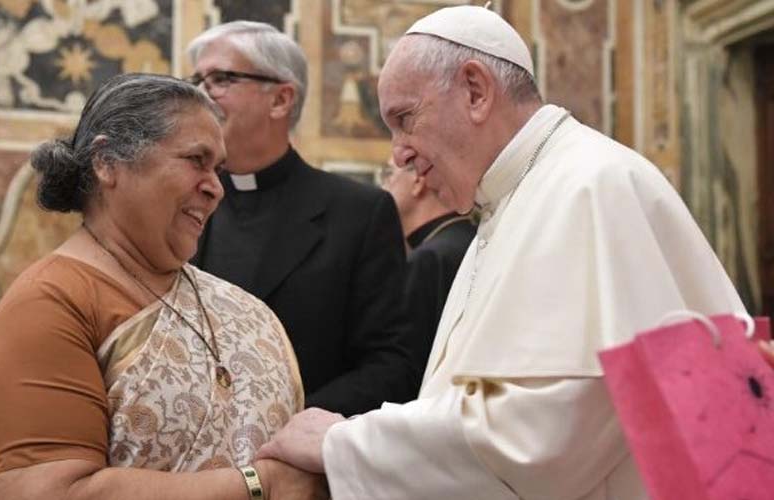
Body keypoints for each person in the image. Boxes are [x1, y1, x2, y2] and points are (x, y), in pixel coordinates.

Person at [257, 6, 747, 499]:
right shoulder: (509, 203)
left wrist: (345, 443)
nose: (398, 153)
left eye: (405, 119)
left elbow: (544, 439)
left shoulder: (590, 187)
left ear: (476, 91)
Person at [0, 74, 327, 500]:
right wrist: (259, 484)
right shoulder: (48, 304)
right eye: (196, 160)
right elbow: (44, 492)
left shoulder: (248, 312)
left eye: (217, 169)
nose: (216, 188)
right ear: (107, 161)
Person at [186, 21, 418, 416]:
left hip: (299, 442)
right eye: (196, 81)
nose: (201, 94)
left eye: (221, 79)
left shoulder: (358, 213)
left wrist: (289, 421)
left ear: (281, 99)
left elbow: (391, 365)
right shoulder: (183, 204)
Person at [380, 158, 475, 371]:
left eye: (388, 174)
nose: (382, 186)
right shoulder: (469, 237)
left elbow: (409, 365)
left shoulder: (430, 259)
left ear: (418, 180)